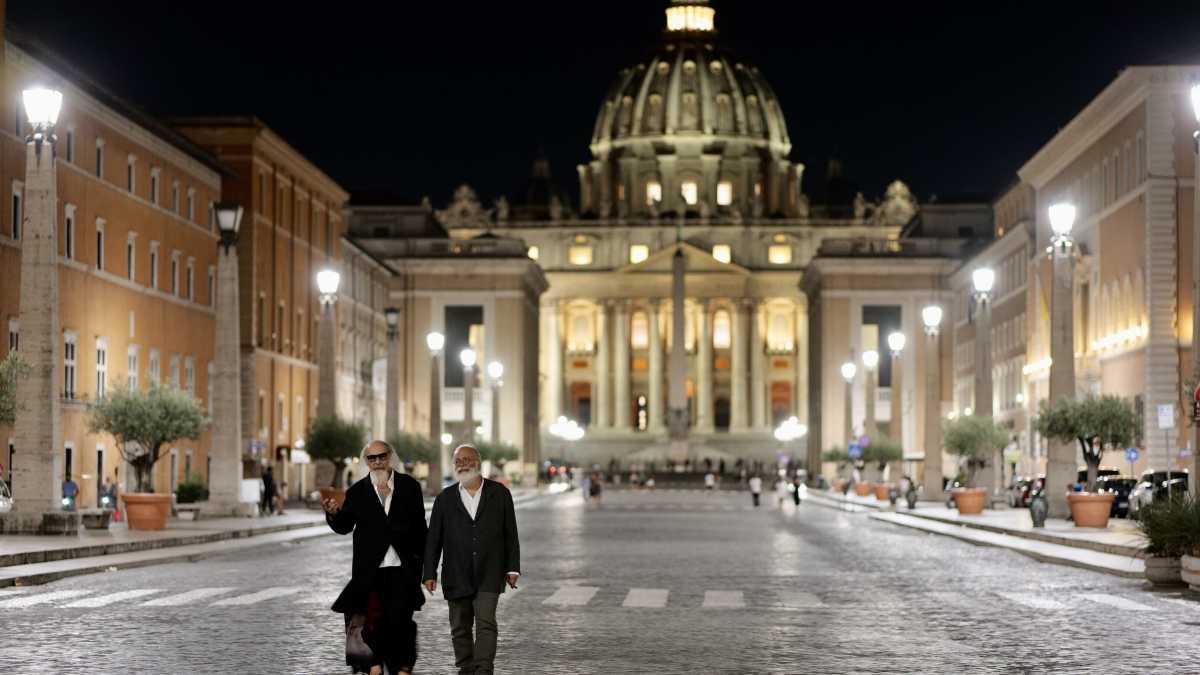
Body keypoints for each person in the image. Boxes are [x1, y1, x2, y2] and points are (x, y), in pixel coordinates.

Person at [323, 440, 427, 675]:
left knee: (401, 623)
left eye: (381, 456)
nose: (377, 462)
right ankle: (375, 665)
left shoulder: (410, 487)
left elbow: (421, 530)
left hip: (403, 570)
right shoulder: (357, 491)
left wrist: (426, 569)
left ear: (390, 457)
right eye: (372, 458)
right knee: (373, 623)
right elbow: (344, 526)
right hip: (370, 572)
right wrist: (333, 514)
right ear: (366, 461)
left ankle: (402, 666)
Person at [424, 444, 521, 675]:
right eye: (458, 460)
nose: (463, 464)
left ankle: (484, 669)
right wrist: (429, 573)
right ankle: (466, 668)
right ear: (454, 464)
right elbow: (433, 540)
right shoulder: (444, 499)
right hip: (456, 573)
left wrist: (513, 567)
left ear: (478, 462)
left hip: (490, 570)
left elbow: (511, 534)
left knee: (486, 623)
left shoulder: (499, 494)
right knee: (459, 627)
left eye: (468, 459)